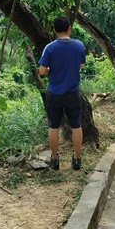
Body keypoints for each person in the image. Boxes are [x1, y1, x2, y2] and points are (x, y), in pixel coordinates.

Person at [38, 17, 86, 171]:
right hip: (73, 92)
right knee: (76, 126)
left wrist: (53, 69)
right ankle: (77, 159)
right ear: (69, 28)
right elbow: (82, 65)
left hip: (54, 93)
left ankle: (54, 158)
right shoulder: (79, 46)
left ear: (55, 30)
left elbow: (42, 72)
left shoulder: (50, 48)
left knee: (53, 126)